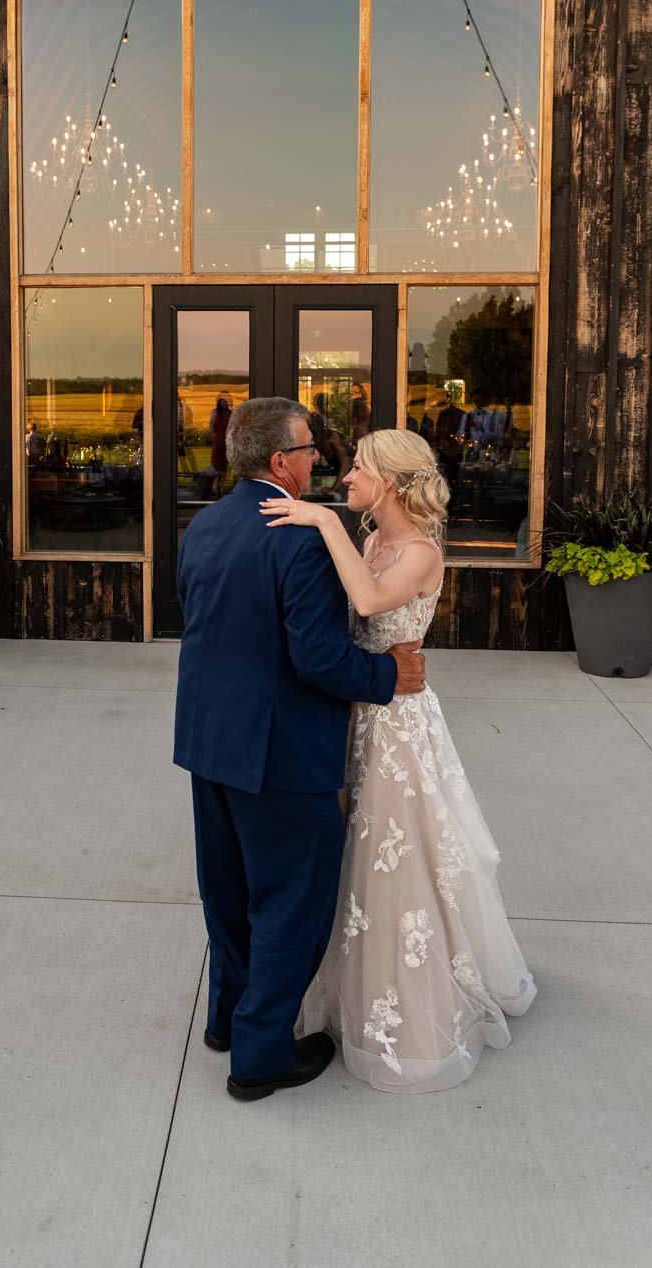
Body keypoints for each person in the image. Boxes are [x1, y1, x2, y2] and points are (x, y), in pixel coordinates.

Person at [260, 428, 536, 1092]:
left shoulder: (419, 551)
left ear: (387, 479)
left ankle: (409, 1013)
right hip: (357, 714)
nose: (345, 475)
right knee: (349, 852)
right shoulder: (372, 542)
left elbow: (367, 602)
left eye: (357, 466)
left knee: (395, 858)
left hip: (397, 729)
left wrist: (322, 519)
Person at [174, 397, 427, 1103]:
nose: (322, 458)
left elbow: (204, 621)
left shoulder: (204, 525)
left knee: (228, 893)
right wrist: (388, 676)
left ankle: (226, 1020)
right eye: (312, 448)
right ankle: (258, 1057)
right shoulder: (301, 538)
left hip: (208, 742)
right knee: (292, 902)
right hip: (279, 753)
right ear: (281, 461)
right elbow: (318, 658)